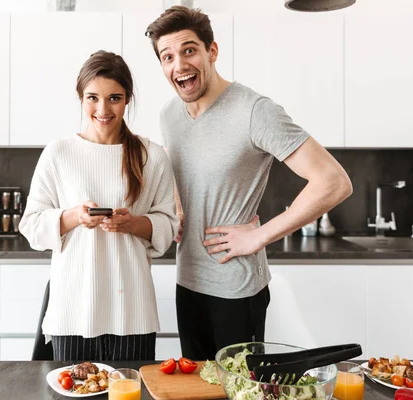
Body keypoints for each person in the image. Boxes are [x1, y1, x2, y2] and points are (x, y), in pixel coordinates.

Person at [145, 7, 353, 360]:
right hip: (187, 281)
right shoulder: (169, 116)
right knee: (198, 390)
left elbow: (334, 182)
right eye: (168, 56)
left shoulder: (255, 111)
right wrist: (178, 206)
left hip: (237, 288)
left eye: (189, 50)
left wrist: (258, 236)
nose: (179, 64)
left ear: (212, 52)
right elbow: (186, 171)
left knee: (240, 391)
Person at [19, 50, 178, 361]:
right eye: (92, 97)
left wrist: (133, 224)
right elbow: (32, 224)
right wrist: (73, 217)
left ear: (127, 99)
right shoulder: (59, 153)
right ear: (80, 97)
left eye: (114, 98)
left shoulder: (152, 155)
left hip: (132, 313)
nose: (103, 109)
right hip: (72, 312)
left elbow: (169, 224)